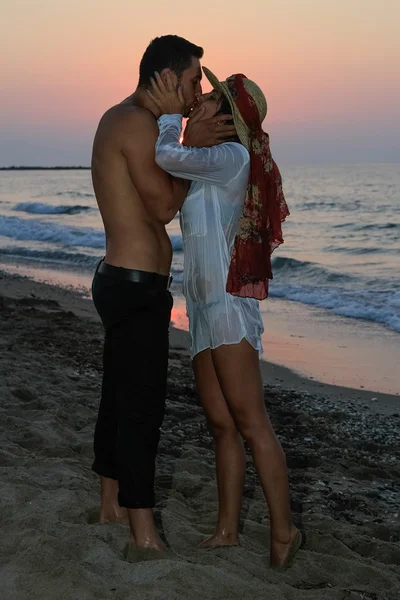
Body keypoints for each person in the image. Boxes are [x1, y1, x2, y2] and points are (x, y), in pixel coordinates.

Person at [149, 68, 303, 568]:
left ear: (228, 118)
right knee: (220, 423)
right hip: (200, 308)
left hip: (229, 309)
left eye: (212, 98)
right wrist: (186, 132)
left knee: (251, 421)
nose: (202, 99)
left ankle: (284, 532)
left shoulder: (230, 157)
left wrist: (172, 117)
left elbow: (166, 154)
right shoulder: (207, 162)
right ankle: (227, 529)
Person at [90, 35, 237, 555]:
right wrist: (192, 146)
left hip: (124, 280)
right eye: (195, 79)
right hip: (133, 286)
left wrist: (183, 141)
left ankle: (110, 503)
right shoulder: (134, 122)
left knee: (118, 398)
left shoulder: (127, 118)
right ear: (169, 77)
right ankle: (143, 536)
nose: (198, 92)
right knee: (141, 409)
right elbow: (160, 207)